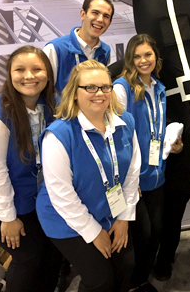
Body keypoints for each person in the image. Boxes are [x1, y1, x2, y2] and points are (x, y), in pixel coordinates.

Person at [0, 46, 62, 292]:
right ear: (9, 74)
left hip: (25, 191)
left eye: (37, 69)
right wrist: (7, 218)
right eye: (20, 70)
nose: (29, 76)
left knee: (54, 248)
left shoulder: (49, 103)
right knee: (28, 255)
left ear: (47, 73)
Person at [36, 60, 141, 292]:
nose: (99, 93)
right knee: (100, 280)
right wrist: (93, 233)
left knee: (125, 267)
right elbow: (62, 195)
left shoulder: (126, 123)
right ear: (75, 93)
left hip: (109, 209)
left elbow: (132, 175)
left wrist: (124, 218)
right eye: (90, 87)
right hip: (65, 218)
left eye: (105, 87)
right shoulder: (59, 135)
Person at [113, 34, 183, 292]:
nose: (143, 60)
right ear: (130, 59)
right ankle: (134, 281)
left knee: (156, 230)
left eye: (148, 55)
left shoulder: (159, 87)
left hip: (157, 173)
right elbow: (117, 138)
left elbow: (155, 128)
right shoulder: (121, 89)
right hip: (133, 178)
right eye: (138, 56)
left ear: (156, 57)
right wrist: (127, 180)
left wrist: (173, 144)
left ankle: (143, 275)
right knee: (140, 234)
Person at [43, 0, 114, 92]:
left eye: (106, 16)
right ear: (83, 14)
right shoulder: (54, 49)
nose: (100, 19)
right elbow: (43, 91)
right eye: (95, 13)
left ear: (109, 22)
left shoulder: (105, 51)